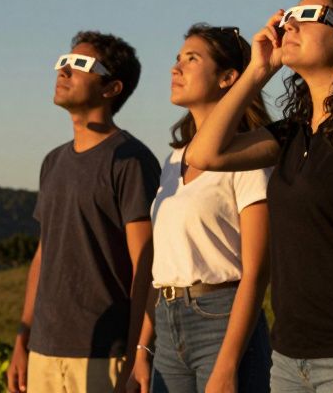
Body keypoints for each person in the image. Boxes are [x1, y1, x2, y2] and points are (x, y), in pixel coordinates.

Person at [185, 0, 333, 393]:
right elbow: (204, 154)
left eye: (308, 15)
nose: (289, 24)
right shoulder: (292, 134)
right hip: (289, 359)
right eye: (289, 15)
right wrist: (258, 71)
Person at [8, 31, 162, 393]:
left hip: (106, 355)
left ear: (112, 88)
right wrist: (23, 337)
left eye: (79, 64)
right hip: (44, 350)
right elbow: (43, 254)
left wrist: (138, 352)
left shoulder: (131, 161)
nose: (63, 70)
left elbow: (146, 265)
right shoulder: (53, 161)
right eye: (63, 61)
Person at [129, 24, 274, 393]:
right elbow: (162, 263)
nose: (175, 68)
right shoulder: (173, 160)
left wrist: (227, 364)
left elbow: (257, 271)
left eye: (191, 59)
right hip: (167, 319)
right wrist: (143, 348)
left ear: (228, 78)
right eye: (178, 58)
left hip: (222, 318)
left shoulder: (249, 157)